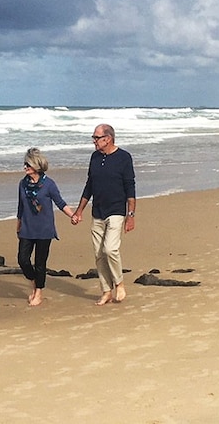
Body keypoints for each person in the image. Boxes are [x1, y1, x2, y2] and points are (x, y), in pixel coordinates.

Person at [71, 124, 136, 306]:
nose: (94, 140)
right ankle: (106, 291)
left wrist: (130, 215)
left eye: (96, 137)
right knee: (99, 254)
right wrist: (79, 211)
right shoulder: (94, 157)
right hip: (97, 211)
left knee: (110, 249)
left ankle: (119, 284)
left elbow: (130, 187)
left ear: (107, 138)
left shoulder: (124, 157)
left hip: (116, 210)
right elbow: (89, 185)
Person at [16, 147, 76, 306]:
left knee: (40, 263)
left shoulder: (49, 184)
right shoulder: (23, 184)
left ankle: (39, 293)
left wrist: (73, 215)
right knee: (23, 260)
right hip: (27, 229)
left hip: (44, 229)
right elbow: (20, 206)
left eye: (27, 165)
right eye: (24, 164)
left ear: (36, 166)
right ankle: (35, 282)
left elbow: (60, 203)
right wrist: (18, 224)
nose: (25, 168)